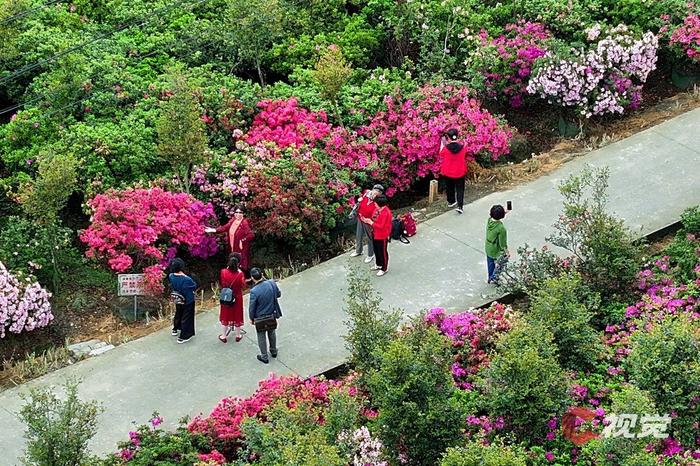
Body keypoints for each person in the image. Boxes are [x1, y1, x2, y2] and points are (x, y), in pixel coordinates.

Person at [205, 204, 255, 275]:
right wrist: (213, 230)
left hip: (240, 249)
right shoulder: (233, 220)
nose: (238, 214)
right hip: (232, 247)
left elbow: (251, 235)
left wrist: (242, 240)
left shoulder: (244, 223)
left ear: (243, 213)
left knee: (241, 265)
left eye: (240, 212)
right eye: (236, 212)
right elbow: (225, 228)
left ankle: (244, 281)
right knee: (234, 264)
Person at [248, 267, 283, 364]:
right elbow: (278, 294)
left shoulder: (254, 291)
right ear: (262, 274)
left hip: (260, 317)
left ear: (252, 278)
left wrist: (251, 318)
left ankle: (264, 356)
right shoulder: (271, 283)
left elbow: (252, 307)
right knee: (272, 332)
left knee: (261, 335)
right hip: (271, 314)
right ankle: (273, 350)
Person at [350, 184, 384, 263]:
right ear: (373, 189)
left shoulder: (379, 201)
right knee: (358, 236)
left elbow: (378, 213)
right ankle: (358, 251)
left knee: (370, 238)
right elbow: (360, 202)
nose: (375, 194)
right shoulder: (366, 192)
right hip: (360, 218)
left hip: (368, 221)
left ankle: (370, 255)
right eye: (375, 191)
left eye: (378, 193)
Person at [439, 128, 469, 214]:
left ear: (448, 137)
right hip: (460, 172)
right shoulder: (463, 148)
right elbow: (465, 154)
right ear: (457, 136)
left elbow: (440, 154)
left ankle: (451, 201)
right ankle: (460, 206)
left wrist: (442, 142)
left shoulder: (446, 149)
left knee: (449, 187)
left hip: (448, 172)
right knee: (460, 189)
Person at [168, 258, 198, 343]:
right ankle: (184, 336)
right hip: (188, 300)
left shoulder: (171, 276)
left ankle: (176, 328)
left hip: (178, 298)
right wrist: (186, 276)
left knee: (178, 312)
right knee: (187, 316)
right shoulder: (186, 279)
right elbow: (194, 286)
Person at [218, 255, 246, 343]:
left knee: (225, 315)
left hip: (227, 296)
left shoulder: (223, 272)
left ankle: (223, 335)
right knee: (237, 314)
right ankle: (238, 335)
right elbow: (243, 285)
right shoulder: (240, 274)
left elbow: (222, 283)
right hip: (237, 297)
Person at [365, 194, 392, 277]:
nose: (374, 204)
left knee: (382, 252)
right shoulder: (378, 209)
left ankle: (384, 268)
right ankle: (378, 264)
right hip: (375, 233)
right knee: (376, 250)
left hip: (382, 235)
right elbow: (373, 217)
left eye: (375, 203)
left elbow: (381, 226)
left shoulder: (386, 213)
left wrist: (371, 222)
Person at [485, 204, 509, 284]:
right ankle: (494, 277)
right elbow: (502, 243)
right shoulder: (501, 228)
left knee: (490, 263)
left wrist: (504, 212)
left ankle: (490, 277)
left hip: (488, 247)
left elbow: (495, 217)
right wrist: (506, 252)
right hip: (496, 249)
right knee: (503, 261)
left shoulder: (489, 221)